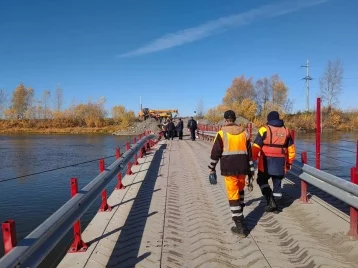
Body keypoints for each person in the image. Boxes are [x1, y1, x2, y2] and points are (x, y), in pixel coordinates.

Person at [208, 110, 254, 237]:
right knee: (240, 191)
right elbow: (250, 154)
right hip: (243, 168)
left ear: (225, 120)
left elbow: (215, 153)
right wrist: (251, 171)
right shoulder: (245, 132)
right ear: (235, 119)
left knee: (233, 195)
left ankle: (239, 226)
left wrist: (211, 168)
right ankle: (240, 214)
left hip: (229, 168)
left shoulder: (221, 133)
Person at [252, 111, 296, 213]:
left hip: (265, 163)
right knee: (277, 184)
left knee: (261, 181)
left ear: (268, 119)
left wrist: (253, 159)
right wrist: (289, 163)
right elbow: (291, 150)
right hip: (280, 163)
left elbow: (256, 147)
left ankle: (270, 200)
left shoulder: (264, 129)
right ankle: (276, 207)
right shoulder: (286, 131)